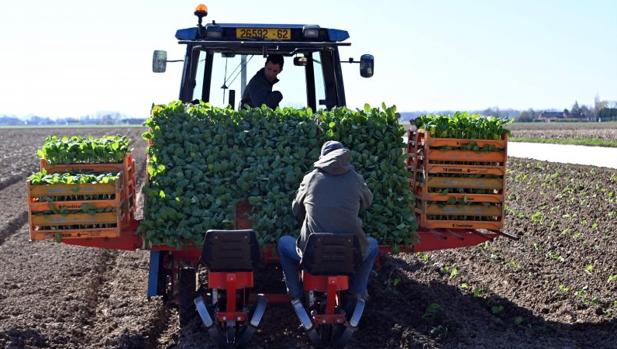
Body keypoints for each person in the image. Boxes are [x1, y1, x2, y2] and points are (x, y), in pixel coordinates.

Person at [277, 140, 378, 302]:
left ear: (322, 158)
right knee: (372, 244)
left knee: (283, 243)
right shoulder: (356, 179)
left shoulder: (311, 178)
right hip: (349, 255)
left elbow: (295, 209)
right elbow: (368, 202)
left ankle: (295, 293)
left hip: (313, 256)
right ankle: (357, 291)